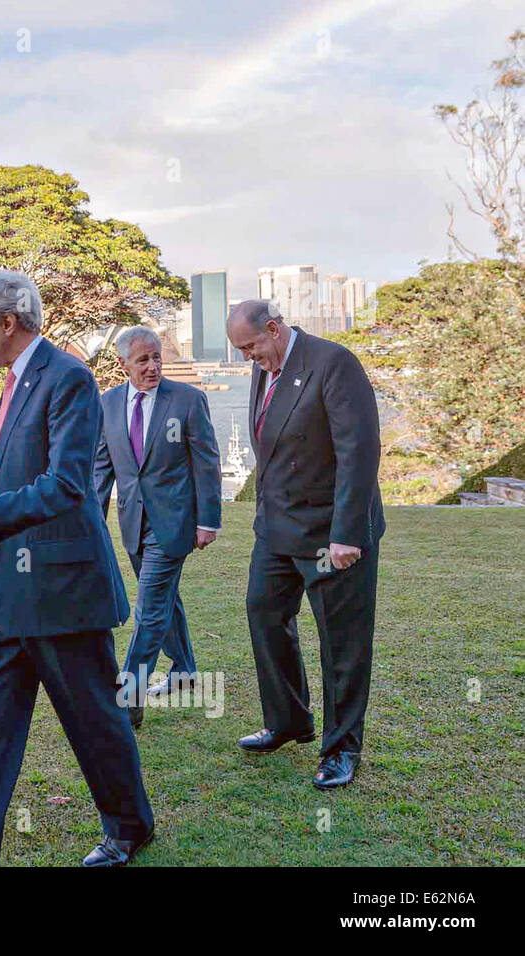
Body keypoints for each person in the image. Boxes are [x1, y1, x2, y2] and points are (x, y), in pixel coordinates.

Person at [0, 271, 154, 867]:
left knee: (95, 724)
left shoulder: (68, 377)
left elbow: (67, 487)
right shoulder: (12, 383)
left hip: (63, 594)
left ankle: (129, 827)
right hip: (3, 597)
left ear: (7, 323)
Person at [226, 300, 384, 790]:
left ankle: (341, 749)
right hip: (276, 529)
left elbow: (359, 452)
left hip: (330, 533)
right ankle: (289, 719)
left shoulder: (333, 363)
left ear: (273, 329)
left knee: (341, 641)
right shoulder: (265, 366)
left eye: (250, 347)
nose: (247, 358)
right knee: (263, 612)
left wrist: (346, 534)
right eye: (241, 351)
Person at [94, 326, 223, 728]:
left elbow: (207, 462)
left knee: (149, 608)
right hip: (132, 523)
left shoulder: (187, 400)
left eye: (157, 358)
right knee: (166, 599)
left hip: (174, 524)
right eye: (143, 360)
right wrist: (91, 522)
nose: (153, 366)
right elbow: (101, 467)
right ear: (123, 364)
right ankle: (183, 668)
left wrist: (208, 520)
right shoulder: (107, 404)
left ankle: (128, 700)